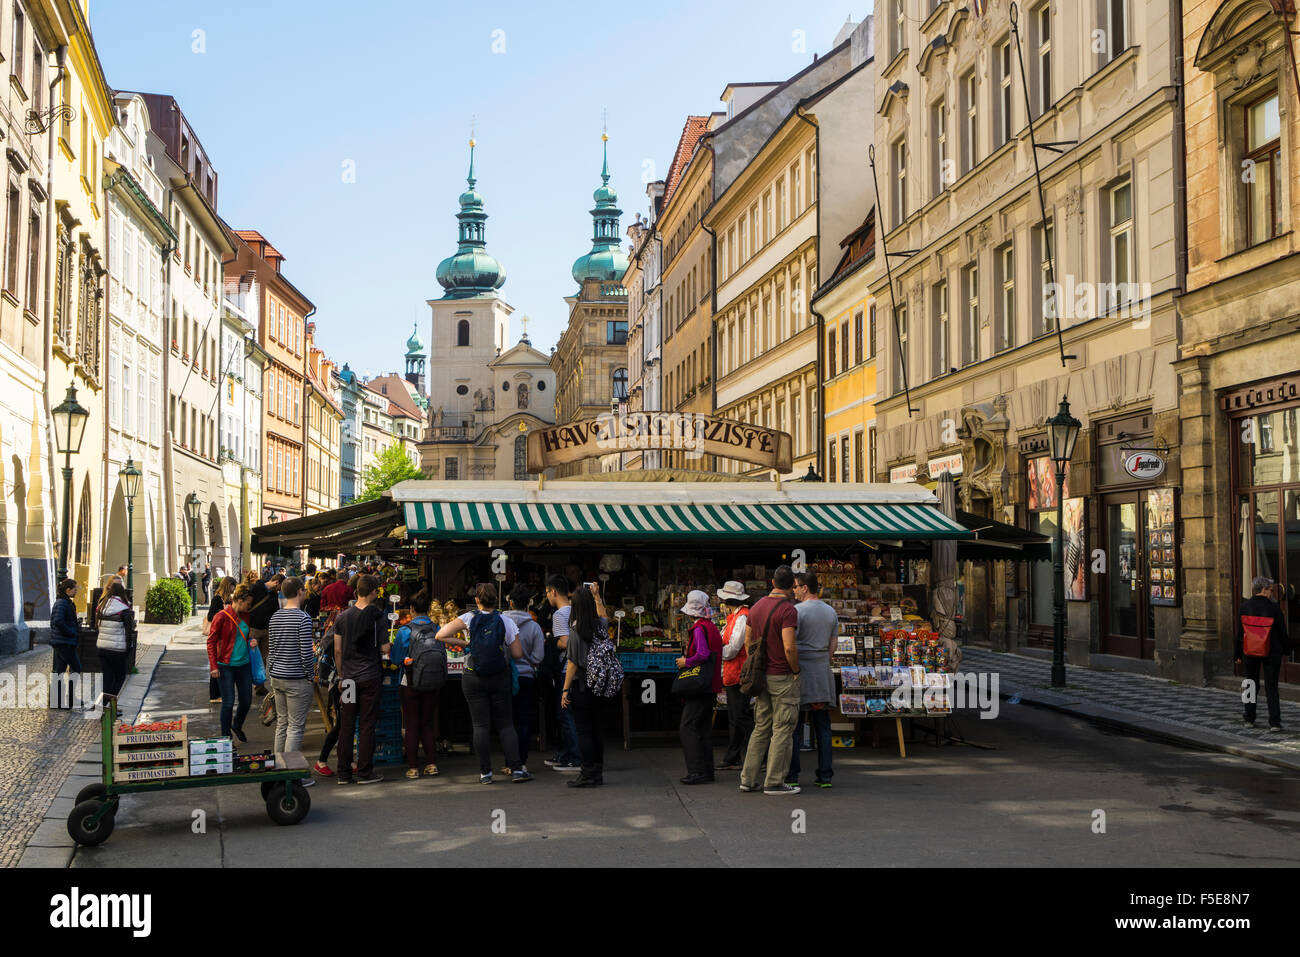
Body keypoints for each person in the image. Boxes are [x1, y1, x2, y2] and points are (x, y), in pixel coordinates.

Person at [436, 583, 531, 783]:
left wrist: (466, 643)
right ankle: (516, 769)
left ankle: (485, 773)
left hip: (473, 676)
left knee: (480, 725)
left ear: (477, 600)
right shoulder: (506, 620)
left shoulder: (468, 618)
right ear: (496, 600)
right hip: (499, 676)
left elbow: (441, 635)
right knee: (506, 724)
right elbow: (517, 653)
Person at [738, 565, 802, 796]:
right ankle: (774, 781)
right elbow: (789, 646)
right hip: (782, 675)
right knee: (783, 728)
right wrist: (795, 670)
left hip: (761, 675)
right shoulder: (788, 611)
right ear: (792, 587)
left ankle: (748, 778)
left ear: (773, 583)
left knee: (761, 727)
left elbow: (747, 642)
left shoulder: (755, 608)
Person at [333, 574, 390, 784]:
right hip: (370, 677)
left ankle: (343, 773)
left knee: (347, 725)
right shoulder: (378, 617)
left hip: (348, 678)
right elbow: (384, 648)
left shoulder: (342, 617)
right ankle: (365, 772)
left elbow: (337, 651)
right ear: (374, 592)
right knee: (367, 725)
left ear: (357, 592)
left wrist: (341, 675)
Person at [787, 571, 838, 788]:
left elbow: (789, 643)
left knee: (794, 726)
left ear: (805, 588)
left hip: (801, 672)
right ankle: (825, 776)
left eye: (796, 587)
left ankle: (792, 775)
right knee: (823, 726)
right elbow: (833, 644)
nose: (794, 591)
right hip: (822, 673)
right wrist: (822, 660)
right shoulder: (830, 611)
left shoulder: (796, 611)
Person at [267, 578, 316, 783]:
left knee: (282, 725)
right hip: (296, 678)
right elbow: (306, 653)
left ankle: (278, 770)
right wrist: (311, 676)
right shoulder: (303, 619)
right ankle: (292, 776)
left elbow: (271, 649)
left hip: (277, 676)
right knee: (295, 727)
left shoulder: (275, 617)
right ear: (299, 592)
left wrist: (272, 671)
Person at [560, 582, 609, 788]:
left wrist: (564, 690)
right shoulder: (600, 625)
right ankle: (597, 772)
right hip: (600, 683)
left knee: (583, 731)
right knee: (597, 729)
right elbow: (604, 614)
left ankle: (587, 772)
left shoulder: (575, 631)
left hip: (582, 685)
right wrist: (597, 596)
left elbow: (572, 664)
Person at [390, 592, 441, 779]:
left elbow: (396, 659)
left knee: (411, 724)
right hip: (433, 681)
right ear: (428, 609)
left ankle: (413, 767)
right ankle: (432, 763)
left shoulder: (405, 631)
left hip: (409, 682)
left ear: (411, 609)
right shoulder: (437, 628)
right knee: (428, 723)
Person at [676, 590, 723, 785]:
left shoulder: (699, 629)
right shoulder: (711, 627)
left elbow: (702, 655)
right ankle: (706, 770)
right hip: (711, 685)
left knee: (688, 727)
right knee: (702, 728)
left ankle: (696, 771)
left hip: (699, 686)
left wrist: (685, 662)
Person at [1235, 575, 1291, 731]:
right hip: (1271, 653)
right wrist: (1287, 650)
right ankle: (1274, 722)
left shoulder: (1244, 607)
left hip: (1250, 651)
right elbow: (1282, 632)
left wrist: (1237, 654)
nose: (1271, 593)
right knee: (1271, 686)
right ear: (1264, 590)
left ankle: (1249, 718)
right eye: (1270, 590)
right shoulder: (1274, 608)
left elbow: (1240, 634)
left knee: (1250, 684)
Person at [543, 575, 583, 772]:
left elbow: (566, 643)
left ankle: (575, 757)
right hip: (578, 669)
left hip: (567, 668)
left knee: (565, 714)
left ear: (553, 592)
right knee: (567, 714)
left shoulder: (560, 614)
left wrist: (550, 641)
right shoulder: (577, 609)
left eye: (547, 593)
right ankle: (565, 754)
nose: (547, 597)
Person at [504, 584, 545, 773]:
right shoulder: (535, 627)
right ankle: (521, 762)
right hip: (527, 678)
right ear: (528, 604)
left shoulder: (501, 621)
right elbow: (538, 658)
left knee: (506, 721)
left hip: (505, 677)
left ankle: (509, 762)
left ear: (510, 602)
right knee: (524, 721)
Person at [207, 584, 256, 741]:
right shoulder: (221, 616)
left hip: (244, 665)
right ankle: (226, 737)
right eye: (248, 604)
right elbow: (211, 642)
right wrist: (213, 666)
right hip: (226, 665)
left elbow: (243, 636)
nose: (249, 607)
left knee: (246, 701)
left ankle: (237, 725)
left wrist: (251, 640)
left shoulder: (246, 616)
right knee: (228, 703)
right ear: (240, 600)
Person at [715, 581, 752, 771]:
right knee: (736, 717)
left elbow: (732, 649)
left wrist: (717, 652)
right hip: (733, 673)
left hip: (738, 672)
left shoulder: (742, 618)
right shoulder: (734, 617)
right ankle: (734, 756)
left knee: (740, 717)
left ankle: (752, 755)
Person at [96, 581, 135, 697]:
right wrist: (128, 648)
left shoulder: (103, 606)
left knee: (107, 677)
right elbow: (128, 632)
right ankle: (109, 703)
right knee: (120, 676)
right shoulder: (124, 609)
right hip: (117, 649)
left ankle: (104, 704)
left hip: (102, 647)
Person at [49, 579, 82, 707]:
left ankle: (57, 701)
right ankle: (70, 699)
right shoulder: (62, 603)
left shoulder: (64, 602)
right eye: (75, 589)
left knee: (60, 670)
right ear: (68, 590)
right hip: (64, 642)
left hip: (62, 641)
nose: (76, 591)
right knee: (76, 667)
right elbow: (58, 621)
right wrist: (71, 632)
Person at [248, 574, 282, 694]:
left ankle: (259, 685)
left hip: (266, 630)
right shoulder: (256, 588)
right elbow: (248, 605)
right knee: (251, 657)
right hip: (254, 629)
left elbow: (276, 612)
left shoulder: (273, 594)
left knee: (262, 658)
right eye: (279, 588)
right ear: (276, 582)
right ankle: (247, 684)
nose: (279, 591)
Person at [206, 577, 236, 702]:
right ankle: (214, 695)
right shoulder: (217, 599)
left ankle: (219, 694)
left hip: (225, 636)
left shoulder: (227, 599)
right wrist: (222, 612)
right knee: (217, 665)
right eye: (233, 586)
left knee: (221, 665)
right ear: (229, 586)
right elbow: (210, 616)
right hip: (218, 636)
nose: (234, 589)